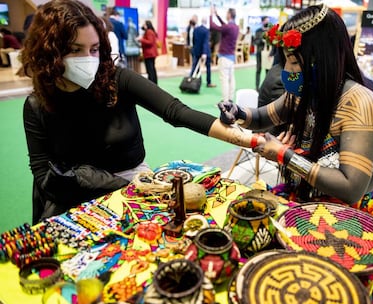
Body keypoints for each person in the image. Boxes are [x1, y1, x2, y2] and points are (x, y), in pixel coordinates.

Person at [20, 0, 263, 224]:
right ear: (50, 52)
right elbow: (43, 176)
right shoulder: (37, 105)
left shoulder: (118, 80)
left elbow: (176, 111)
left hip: (136, 186)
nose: (88, 58)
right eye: (75, 50)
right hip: (77, 196)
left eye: (94, 49)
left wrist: (251, 140)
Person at [218, 5, 373, 304]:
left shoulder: (360, 102)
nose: (288, 71)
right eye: (286, 61)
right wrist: (238, 113)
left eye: (294, 61)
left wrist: (285, 156)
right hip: (302, 206)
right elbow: (260, 117)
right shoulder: (302, 93)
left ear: (320, 58)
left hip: (343, 228)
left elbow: (352, 187)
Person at [210, 6, 239, 102]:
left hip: (224, 57)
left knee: (224, 80)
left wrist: (211, 15)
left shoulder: (228, 27)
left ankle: (225, 100)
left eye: (227, 13)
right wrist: (217, 15)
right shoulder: (235, 27)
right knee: (231, 79)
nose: (226, 15)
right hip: (231, 57)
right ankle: (230, 99)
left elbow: (213, 26)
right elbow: (224, 25)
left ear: (229, 15)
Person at [191, 17, 216, 88]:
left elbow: (193, 40)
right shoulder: (206, 31)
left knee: (194, 66)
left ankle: (190, 80)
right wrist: (204, 53)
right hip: (205, 52)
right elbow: (205, 42)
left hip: (196, 51)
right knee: (208, 67)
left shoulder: (196, 29)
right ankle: (209, 82)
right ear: (206, 22)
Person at [137, 20, 158, 84]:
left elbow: (150, 42)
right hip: (151, 53)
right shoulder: (151, 31)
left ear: (147, 25)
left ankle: (151, 83)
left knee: (150, 70)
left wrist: (141, 40)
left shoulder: (149, 32)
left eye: (144, 24)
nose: (143, 26)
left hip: (149, 54)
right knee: (152, 69)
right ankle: (153, 83)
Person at [253, 16, 269, 91]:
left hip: (267, 54)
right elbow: (255, 42)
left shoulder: (270, 31)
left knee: (267, 71)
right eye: (266, 21)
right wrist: (262, 39)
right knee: (258, 70)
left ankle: (266, 87)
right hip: (259, 53)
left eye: (268, 21)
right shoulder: (258, 31)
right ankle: (257, 87)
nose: (267, 23)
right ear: (262, 22)